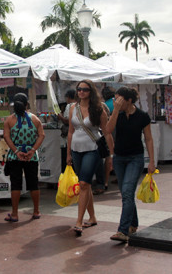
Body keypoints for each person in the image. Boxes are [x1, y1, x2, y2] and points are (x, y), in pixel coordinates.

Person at [107, 86, 155, 243]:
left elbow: (148, 138)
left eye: (119, 98)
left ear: (129, 100)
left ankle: (123, 230)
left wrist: (152, 161)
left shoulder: (142, 116)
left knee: (127, 192)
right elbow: (108, 130)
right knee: (126, 193)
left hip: (135, 158)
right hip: (119, 157)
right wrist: (115, 111)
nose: (116, 101)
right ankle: (133, 223)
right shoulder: (118, 115)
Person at [67, 80, 114, 236]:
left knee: (84, 183)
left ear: (91, 91)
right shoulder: (73, 108)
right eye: (79, 89)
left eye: (85, 90)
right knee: (85, 185)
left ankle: (79, 221)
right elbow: (70, 132)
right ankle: (92, 217)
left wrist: (112, 155)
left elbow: (106, 132)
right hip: (76, 149)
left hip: (92, 149)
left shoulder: (98, 109)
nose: (81, 92)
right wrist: (68, 153)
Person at [3, 93, 45, 222]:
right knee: (33, 184)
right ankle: (36, 211)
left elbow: (6, 137)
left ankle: (15, 214)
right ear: (27, 104)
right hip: (31, 157)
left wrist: (16, 151)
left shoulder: (9, 120)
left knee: (16, 184)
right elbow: (42, 135)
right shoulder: (35, 119)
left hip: (15, 157)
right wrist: (32, 150)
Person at [93, 86, 117, 194]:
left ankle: (102, 182)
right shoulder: (114, 103)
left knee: (103, 159)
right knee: (109, 157)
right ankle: (106, 182)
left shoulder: (104, 105)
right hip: (112, 134)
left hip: (102, 135)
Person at [57, 89, 77, 173]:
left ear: (68, 97)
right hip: (77, 138)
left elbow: (67, 121)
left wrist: (59, 115)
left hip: (69, 138)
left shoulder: (70, 106)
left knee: (68, 158)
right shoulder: (80, 105)